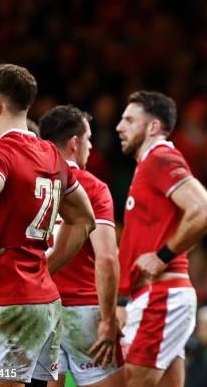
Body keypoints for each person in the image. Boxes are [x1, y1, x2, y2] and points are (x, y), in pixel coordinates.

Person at [0, 64, 95, 385]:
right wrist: (45, 270)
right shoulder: (51, 154)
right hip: (44, 302)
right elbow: (84, 220)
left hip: (6, 300)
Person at [115, 91, 207, 387]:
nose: (120, 127)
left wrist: (163, 255)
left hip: (161, 294)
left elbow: (204, 210)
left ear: (153, 127)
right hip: (158, 295)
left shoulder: (160, 157)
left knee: (132, 381)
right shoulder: (147, 165)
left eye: (129, 120)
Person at [39, 105, 125, 386]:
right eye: (88, 140)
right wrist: (109, 319)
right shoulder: (91, 187)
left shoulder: (30, 185)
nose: (90, 147)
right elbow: (107, 258)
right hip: (83, 311)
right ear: (75, 143)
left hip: (41, 309)